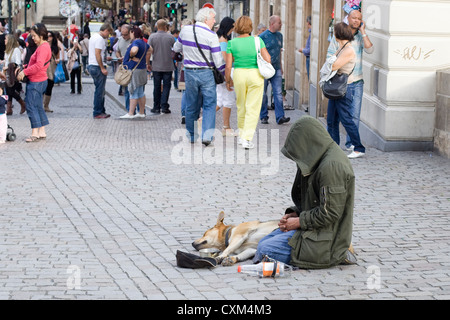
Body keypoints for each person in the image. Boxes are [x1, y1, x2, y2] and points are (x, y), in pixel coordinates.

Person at [253, 115, 356, 269]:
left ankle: (340, 254)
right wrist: (295, 215)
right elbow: (315, 201)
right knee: (262, 244)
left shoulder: (332, 166)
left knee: (265, 249)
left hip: (327, 239)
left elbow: (331, 212)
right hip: (314, 229)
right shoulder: (317, 158)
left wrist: (299, 221)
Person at [173, 8, 225, 146]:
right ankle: (207, 136)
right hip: (206, 73)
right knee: (209, 104)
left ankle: (191, 135)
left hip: (189, 72)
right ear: (206, 19)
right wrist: (223, 73)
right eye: (213, 18)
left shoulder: (185, 30)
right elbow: (218, 60)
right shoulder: (212, 35)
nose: (214, 21)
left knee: (191, 104)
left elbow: (176, 47)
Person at [327, 8, 374, 152]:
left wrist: (364, 32)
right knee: (333, 118)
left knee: (354, 115)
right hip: (340, 82)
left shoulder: (360, 36)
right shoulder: (339, 36)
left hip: (357, 81)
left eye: (359, 19)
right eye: (354, 18)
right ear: (348, 18)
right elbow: (329, 57)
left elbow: (370, 50)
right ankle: (334, 144)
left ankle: (351, 144)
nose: (356, 21)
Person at [225, 16, 271, 149]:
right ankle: (246, 138)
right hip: (255, 74)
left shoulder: (232, 43)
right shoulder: (257, 40)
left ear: (237, 27)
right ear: (250, 27)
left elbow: (228, 66)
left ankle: (241, 135)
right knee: (253, 108)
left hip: (239, 74)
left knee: (241, 105)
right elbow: (267, 59)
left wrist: (228, 80)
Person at [326, 22, 365, 159]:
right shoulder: (342, 47)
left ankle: (359, 148)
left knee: (346, 119)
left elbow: (333, 65)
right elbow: (331, 61)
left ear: (339, 34)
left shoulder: (348, 50)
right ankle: (333, 146)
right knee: (331, 119)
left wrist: (331, 62)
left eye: (334, 32)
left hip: (345, 88)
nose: (333, 34)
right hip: (338, 88)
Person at [17, 23, 52, 143]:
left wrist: (25, 72)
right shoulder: (44, 46)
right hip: (41, 79)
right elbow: (38, 64)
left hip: (36, 80)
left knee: (31, 106)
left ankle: (35, 132)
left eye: (34, 36)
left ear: (41, 35)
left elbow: (38, 65)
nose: (32, 38)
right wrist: (26, 67)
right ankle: (41, 131)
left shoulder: (43, 47)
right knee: (37, 106)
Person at [259, 16, 290, 125]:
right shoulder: (262, 37)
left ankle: (280, 117)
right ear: (272, 24)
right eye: (279, 23)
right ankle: (263, 116)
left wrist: (281, 67)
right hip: (264, 69)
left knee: (278, 93)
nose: (281, 25)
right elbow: (258, 53)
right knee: (263, 94)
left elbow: (279, 52)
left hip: (276, 69)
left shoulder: (280, 36)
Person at [119, 26, 151, 119]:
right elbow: (151, 49)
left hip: (134, 69)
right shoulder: (144, 42)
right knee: (140, 92)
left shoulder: (136, 42)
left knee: (133, 91)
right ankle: (141, 112)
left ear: (133, 33)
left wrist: (132, 56)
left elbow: (134, 50)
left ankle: (130, 113)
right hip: (142, 69)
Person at [148, 19, 175, 114]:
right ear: (165, 27)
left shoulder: (152, 37)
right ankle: (164, 106)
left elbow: (149, 50)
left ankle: (156, 106)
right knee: (167, 86)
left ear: (156, 26)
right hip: (168, 65)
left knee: (157, 86)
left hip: (156, 66)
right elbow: (175, 49)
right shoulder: (170, 37)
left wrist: (148, 63)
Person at [87, 23, 114, 119]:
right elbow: (97, 54)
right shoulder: (99, 39)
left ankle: (101, 110)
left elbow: (97, 54)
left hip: (92, 65)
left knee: (100, 90)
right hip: (96, 66)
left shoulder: (94, 37)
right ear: (106, 30)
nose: (109, 36)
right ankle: (98, 112)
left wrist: (104, 58)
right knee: (99, 90)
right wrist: (102, 67)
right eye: (109, 33)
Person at [216, 17, 236, 137]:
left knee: (220, 100)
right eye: (232, 27)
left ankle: (202, 120)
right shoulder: (223, 40)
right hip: (225, 72)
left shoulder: (219, 38)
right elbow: (225, 58)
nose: (233, 29)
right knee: (228, 100)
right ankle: (226, 127)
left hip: (220, 72)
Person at [3, 34, 26, 115]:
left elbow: (18, 62)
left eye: (6, 39)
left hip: (14, 74)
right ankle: (9, 109)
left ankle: (21, 104)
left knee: (11, 90)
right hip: (8, 74)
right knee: (9, 90)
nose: (4, 40)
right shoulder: (7, 51)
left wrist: (9, 66)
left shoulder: (16, 50)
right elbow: (6, 62)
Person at [115, 24, 133, 110]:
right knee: (126, 90)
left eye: (125, 34)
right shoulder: (120, 40)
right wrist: (119, 57)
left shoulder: (133, 41)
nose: (123, 36)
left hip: (133, 67)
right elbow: (117, 51)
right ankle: (128, 109)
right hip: (124, 68)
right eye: (122, 34)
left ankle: (136, 110)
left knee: (133, 90)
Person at [42, 31, 60, 113]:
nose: (49, 38)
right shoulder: (42, 46)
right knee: (42, 87)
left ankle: (46, 106)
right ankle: (41, 105)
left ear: (53, 37)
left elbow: (58, 57)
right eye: (47, 36)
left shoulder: (55, 48)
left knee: (49, 87)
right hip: (43, 69)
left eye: (50, 36)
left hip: (51, 69)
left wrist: (57, 60)